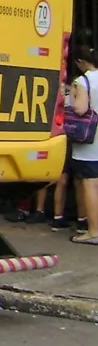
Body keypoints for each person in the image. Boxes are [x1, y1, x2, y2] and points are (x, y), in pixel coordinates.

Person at [67, 45, 98, 245]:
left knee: (90, 184)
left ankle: (93, 231)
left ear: (80, 62)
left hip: (89, 142)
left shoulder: (82, 81)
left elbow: (80, 109)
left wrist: (70, 95)